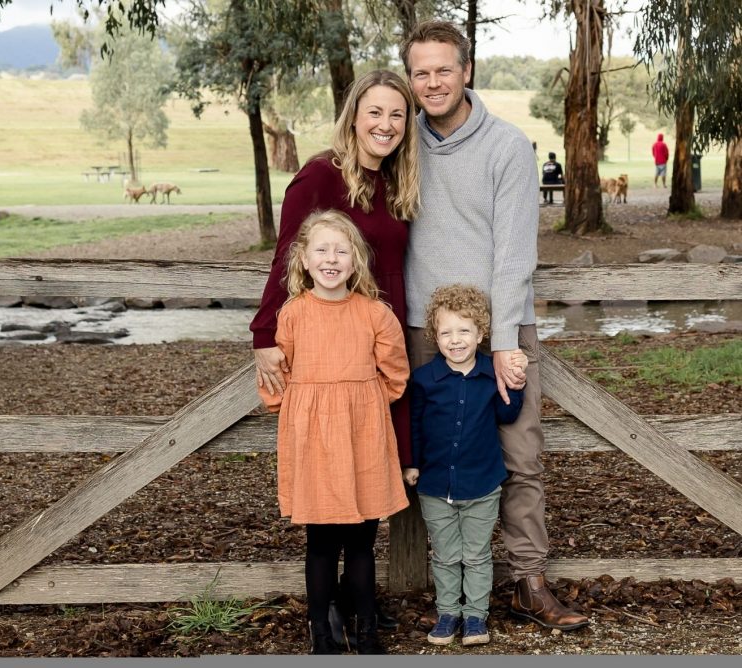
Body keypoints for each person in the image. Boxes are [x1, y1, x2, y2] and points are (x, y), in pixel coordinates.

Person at [400, 19, 590, 631]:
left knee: (519, 456)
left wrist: (505, 342)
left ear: (467, 71)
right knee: (426, 456)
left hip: (500, 330)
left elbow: (514, 255)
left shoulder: (507, 146)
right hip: (425, 330)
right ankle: (445, 589)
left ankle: (527, 582)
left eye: (443, 69)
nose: (432, 82)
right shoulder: (402, 141)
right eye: (420, 72)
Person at [249, 69, 420, 646]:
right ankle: (329, 619)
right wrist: (265, 334)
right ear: (353, 115)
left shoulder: (397, 180)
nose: (385, 124)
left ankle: (361, 608)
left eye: (397, 115)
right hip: (328, 338)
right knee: (331, 506)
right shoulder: (320, 176)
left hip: (378, 333)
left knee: (375, 479)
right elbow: (286, 259)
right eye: (374, 112)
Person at [257, 209, 410, 655]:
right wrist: (304, 409)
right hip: (312, 442)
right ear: (303, 258)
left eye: (341, 250)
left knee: (362, 543)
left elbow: (396, 375)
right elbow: (274, 377)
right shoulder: (292, 315)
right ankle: (321, 635)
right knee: (321, 544)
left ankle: (367, 634)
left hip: (363, 436)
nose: (331, 258)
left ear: (356, 259)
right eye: (321, 249)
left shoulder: (375, 314)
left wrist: (361, 402)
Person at [403, 284, 527, 647]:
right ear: (434, 336)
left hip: (482, 483)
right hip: (435, 484)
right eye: (445, 333)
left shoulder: (491, 375)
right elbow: (413, 424)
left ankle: (475, 616)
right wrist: (410, 463)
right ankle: (447, 614)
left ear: (480, 333)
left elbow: (508, 412)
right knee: (444, 555)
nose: (455, 340)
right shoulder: (424, 380)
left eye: (464, 331)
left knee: (475, 554)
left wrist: (516, 381)